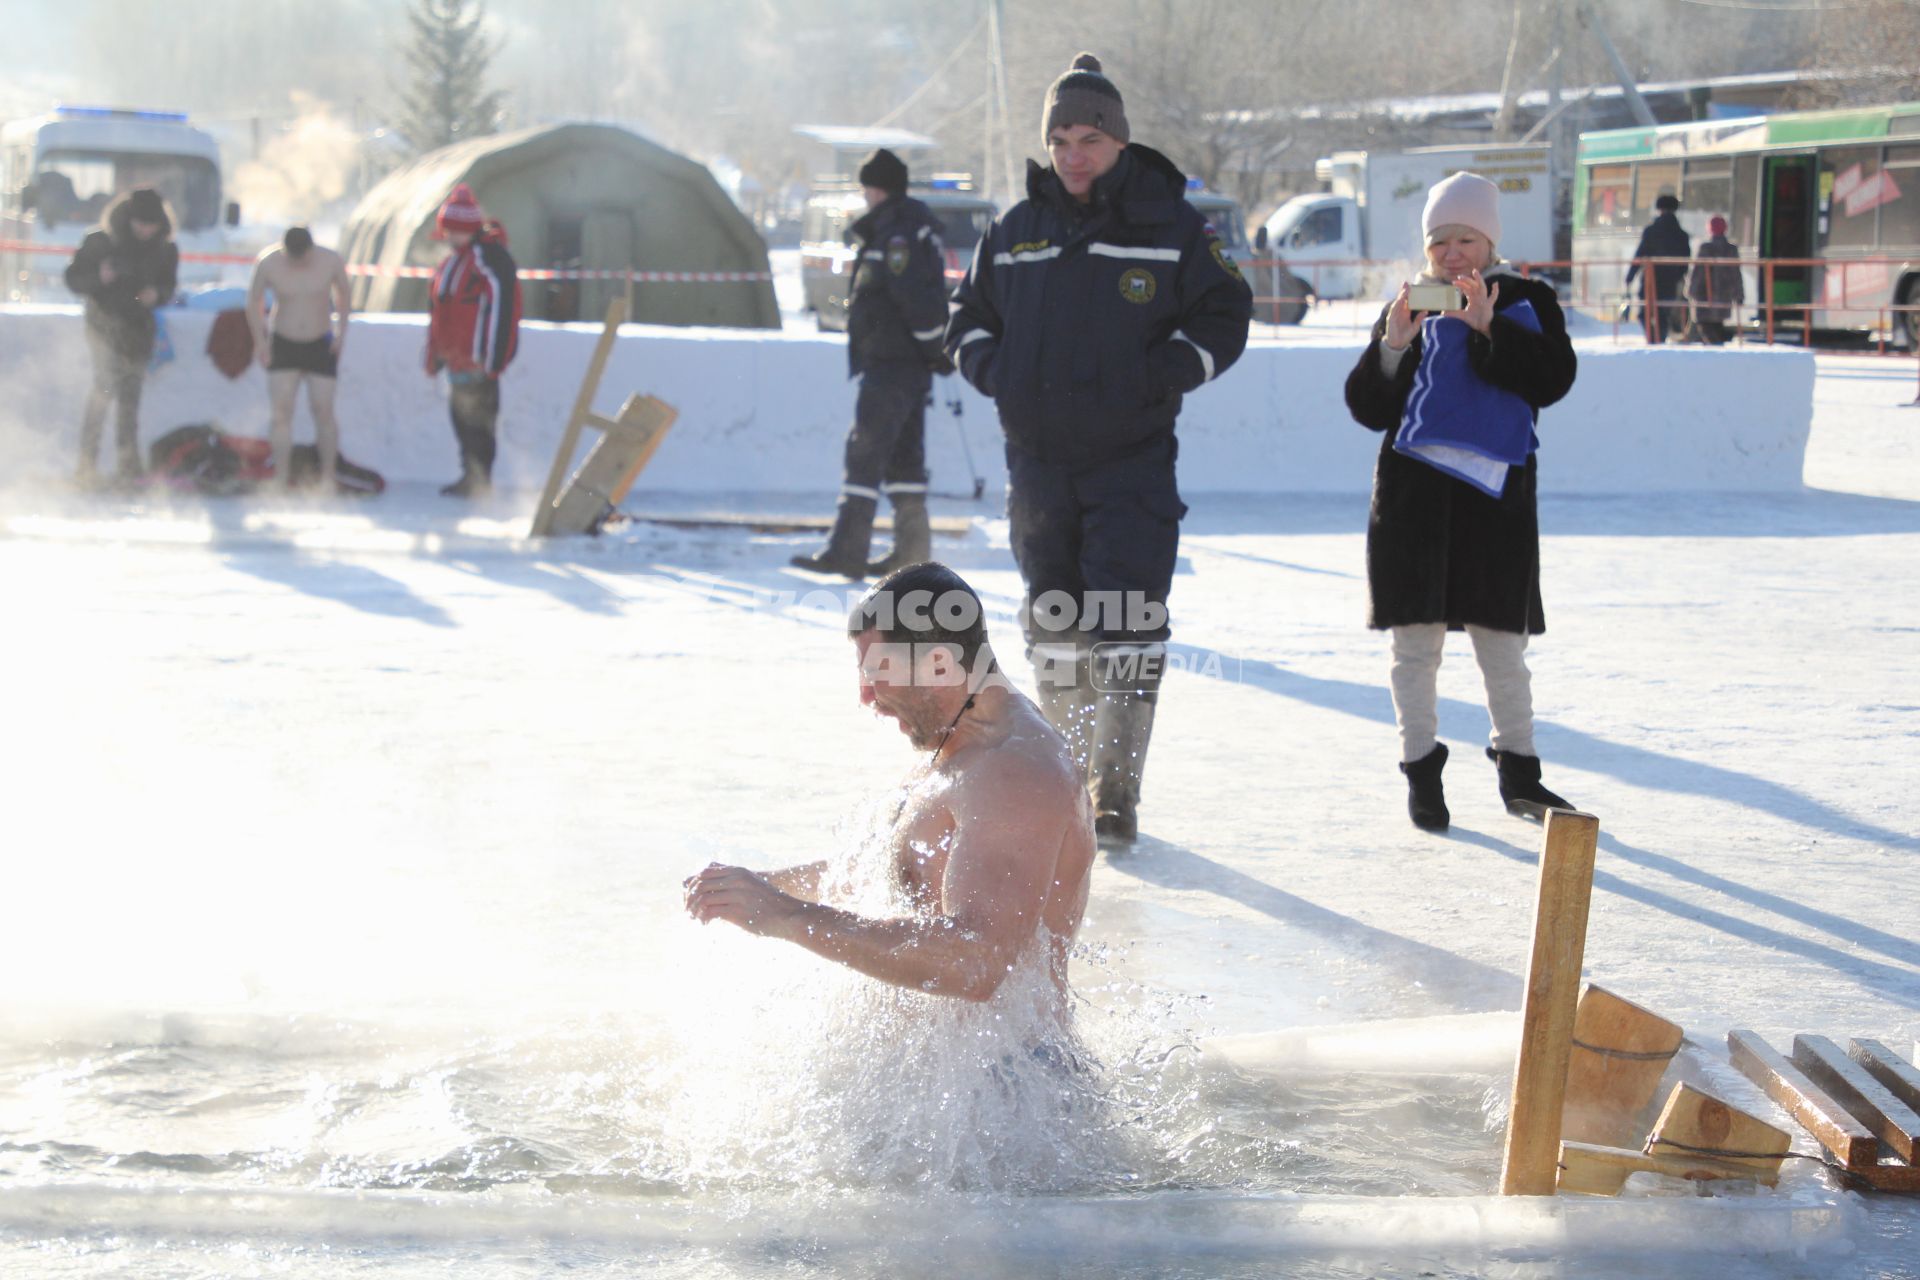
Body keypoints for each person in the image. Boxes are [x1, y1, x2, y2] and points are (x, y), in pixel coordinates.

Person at [945, 53, 1252, 846]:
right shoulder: (1015, 232)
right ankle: (1068, 786)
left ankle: (1115, 791)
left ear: (1119, 140)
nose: (1074, 154)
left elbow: (1226, 314)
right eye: (1061, 139)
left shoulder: (1171, 224)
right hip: (1039, 464)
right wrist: (995, 368)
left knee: (1129, 622)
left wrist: (1168, 370)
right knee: (1055, 621)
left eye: (1089, 137)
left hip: (1131, 462)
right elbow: (966, 317)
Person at [683, 562, 1097, 1012]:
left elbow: (977, 962)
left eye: (877, 672)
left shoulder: (1016, 772)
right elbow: (880, 870)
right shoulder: (959, 744)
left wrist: (787, 916)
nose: (865, 696)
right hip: (948, 1072)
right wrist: (755, 891)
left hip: (1007, 1075)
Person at [1342, 172, 1579, 833]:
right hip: (1414, 508)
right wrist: (1391, 344)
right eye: (1441, 241)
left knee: (1503, 648)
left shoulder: (1526, 298)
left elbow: (1552, 379)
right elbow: (1369, 408)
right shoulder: (1415, 302)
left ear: (1490, 240)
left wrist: (1487, 331)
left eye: (1466, 238)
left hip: (1494, 509)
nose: (1452, 254)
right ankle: (1421, 773)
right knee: (1413, 650)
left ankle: (1520, 772)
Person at [791, 149, 954, 578]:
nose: (864, 196)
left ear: (878, 188)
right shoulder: (908, 227)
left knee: (865, 453)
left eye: (867, 187)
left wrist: (931, 345)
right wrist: (932, 350)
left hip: (893, 363)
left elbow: (913, 297)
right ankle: (912, 555)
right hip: (906, 363)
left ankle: (848, 551)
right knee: (904, 460)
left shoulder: (898, 233)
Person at [64, 187, 178, 486]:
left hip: (139, 329)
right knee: (103, 390)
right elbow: (73, 279)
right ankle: (86, 466)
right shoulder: (99, 241)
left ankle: (128, 467)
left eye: (151, 225)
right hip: (102, 325)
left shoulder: (165, 249)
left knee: (130, 399)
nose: (145, 230)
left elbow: (169, 286)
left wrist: (158, 294)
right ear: (128, 218)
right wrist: (99, 279)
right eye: (140, 223)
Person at [424, 183, 521, 497]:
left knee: (480, 422)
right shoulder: (454, 261)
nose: (449, 238)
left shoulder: (490, 258)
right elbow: (441, 309)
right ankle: (470, 475)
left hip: (479, 359)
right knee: (461, 419)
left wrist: (493, 359)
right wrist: (435, 352)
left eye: (455, 231)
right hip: (457, 358)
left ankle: (481, 481)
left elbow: (504, 308)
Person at [248, 226, 352, 493]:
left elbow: (344, 295)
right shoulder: (269, 262)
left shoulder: (329, 260)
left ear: (311, 250)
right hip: (284, 341)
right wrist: (261, 342)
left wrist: (341, 333)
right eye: (292, 259)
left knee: (323, 410)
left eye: (302, 259)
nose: (297, 264)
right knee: (281, 413)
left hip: (320, 342)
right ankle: (281, 477)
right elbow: (254, 301)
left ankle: (328, 477)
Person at [1623, 192, 1690, 345]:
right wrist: (1679, 276)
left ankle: (1653, 339)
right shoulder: (1681, 234)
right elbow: (1685, 260)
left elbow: (1640, 254)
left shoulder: (1651, 231)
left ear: (1659, 209)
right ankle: (1660, 339)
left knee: (1644, 312)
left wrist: (1630, 276)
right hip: (1671, 280)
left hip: (1650, 279)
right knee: (1663, 312)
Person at [1687, 216, 1743, 346]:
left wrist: (1691, 291)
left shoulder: (1705, 248)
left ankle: (1715, 350)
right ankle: (1718, 348)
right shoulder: (1731, 249)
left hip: (1704, 296)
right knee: (1717, 325)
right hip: (1724, 297)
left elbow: (1697, 273)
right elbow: (1736, 274)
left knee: (1705, 326)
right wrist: (1739, 295)